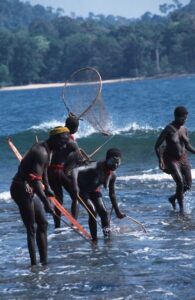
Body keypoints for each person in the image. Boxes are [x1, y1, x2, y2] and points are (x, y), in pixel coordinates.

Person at [10, 126, 70, 266]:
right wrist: (46, 202)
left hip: (31, 187)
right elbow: (36, 180)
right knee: (31, 228)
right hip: (20, 188)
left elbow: (44, 172)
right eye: (63, 141)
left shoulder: (50, 149)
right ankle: (34, 264)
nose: (65, 144)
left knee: (43, 223)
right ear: (54, 138)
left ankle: (44, 262)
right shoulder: (41, 151)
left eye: (67, 141)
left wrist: (48, 187)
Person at [70, 148, 126, 242]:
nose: (115, 165)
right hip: (81, 190)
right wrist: (75, 187)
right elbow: (75, 171)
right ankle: (94, 240)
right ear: (107, 159)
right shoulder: (95, 165)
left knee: (104, 213)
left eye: (118, 163)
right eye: (113, 162)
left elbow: (112, 194)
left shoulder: (113, 175)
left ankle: (107, 239)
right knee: (93, 211)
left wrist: (117, 211)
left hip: (94, 190)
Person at [155, 106, 195, 214]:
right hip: (171, 159)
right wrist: (160, 160)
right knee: (180, 183)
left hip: (183, 159)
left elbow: (187, 145)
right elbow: (157, 146)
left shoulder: (184, 129)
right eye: (183, 118)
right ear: (177, 117)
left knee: (188, 185)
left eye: (186, 118)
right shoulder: (168, 129)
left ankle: (173, 198)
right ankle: (182, 209)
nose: (185, 120)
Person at [48, 113, 83, 228]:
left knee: (58, 200)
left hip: (49, 171)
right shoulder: (72, 142)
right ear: (76, 129)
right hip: (60, 171)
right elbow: (79, 159)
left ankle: (57, 226)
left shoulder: (56, 137)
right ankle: (74, 223)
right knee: (75, 196)